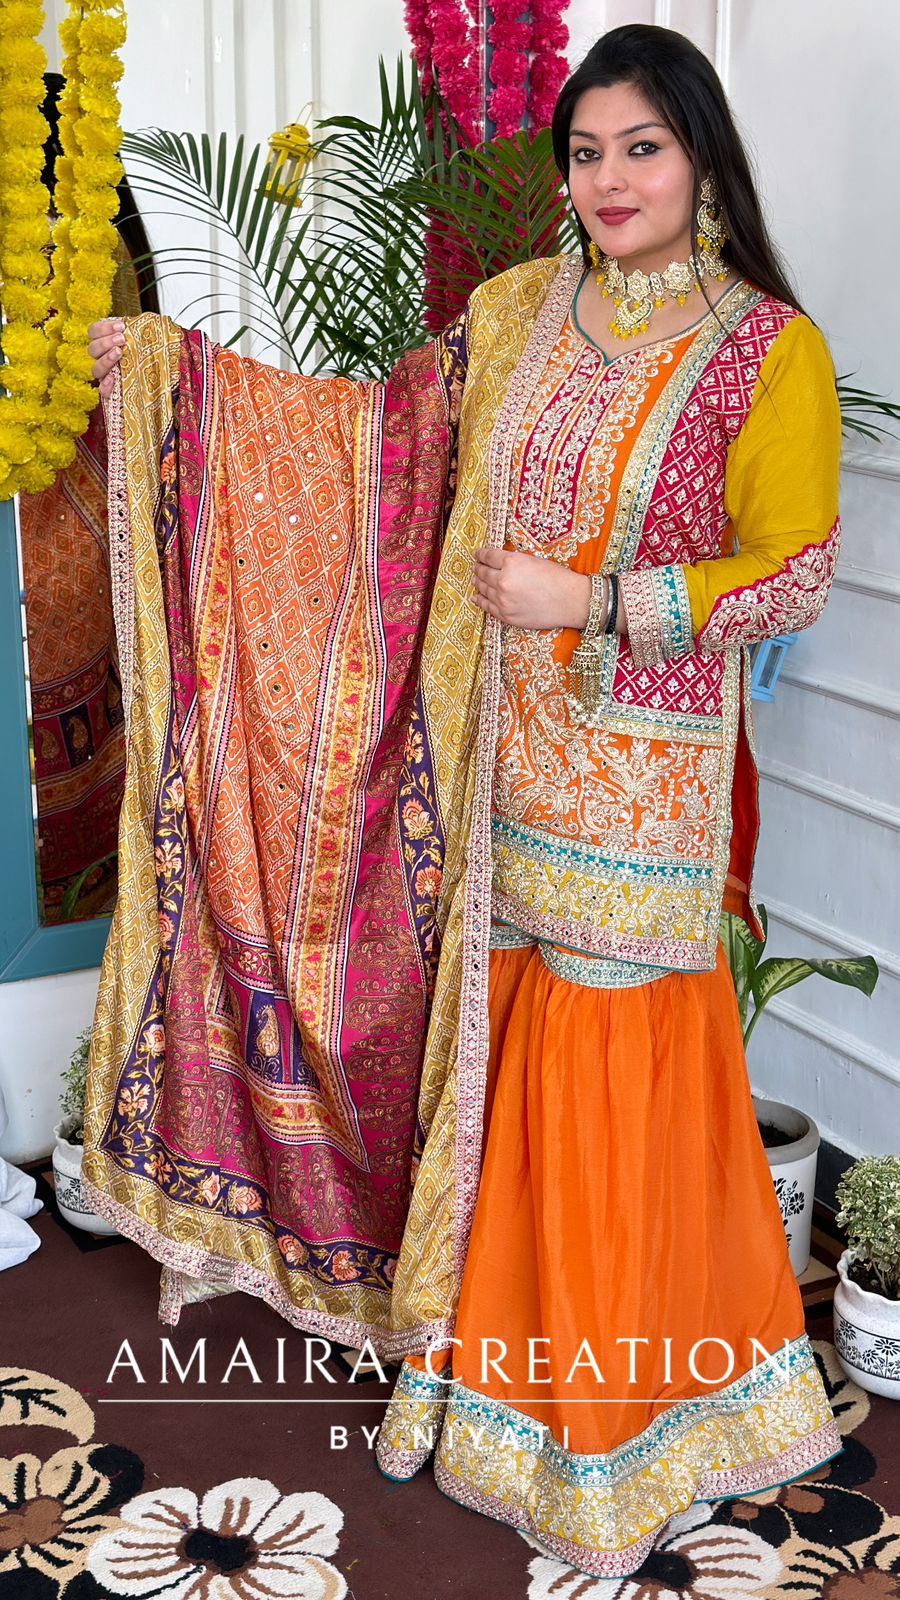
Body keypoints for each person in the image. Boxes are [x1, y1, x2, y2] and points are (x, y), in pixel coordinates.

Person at [86, 23, 843, 1580]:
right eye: (586, 151)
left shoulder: (769, 348)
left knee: (619, 1078)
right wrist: (185, 376)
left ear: (701, 156)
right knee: (498, 1067)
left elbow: (797, 573)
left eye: (642, 146)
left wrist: (591, 595)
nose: (611, 177)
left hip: (644, 784)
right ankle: (486, 1385)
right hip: (492, 770)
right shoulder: (512, 312)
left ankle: (628, 1425)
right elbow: (376, 445)